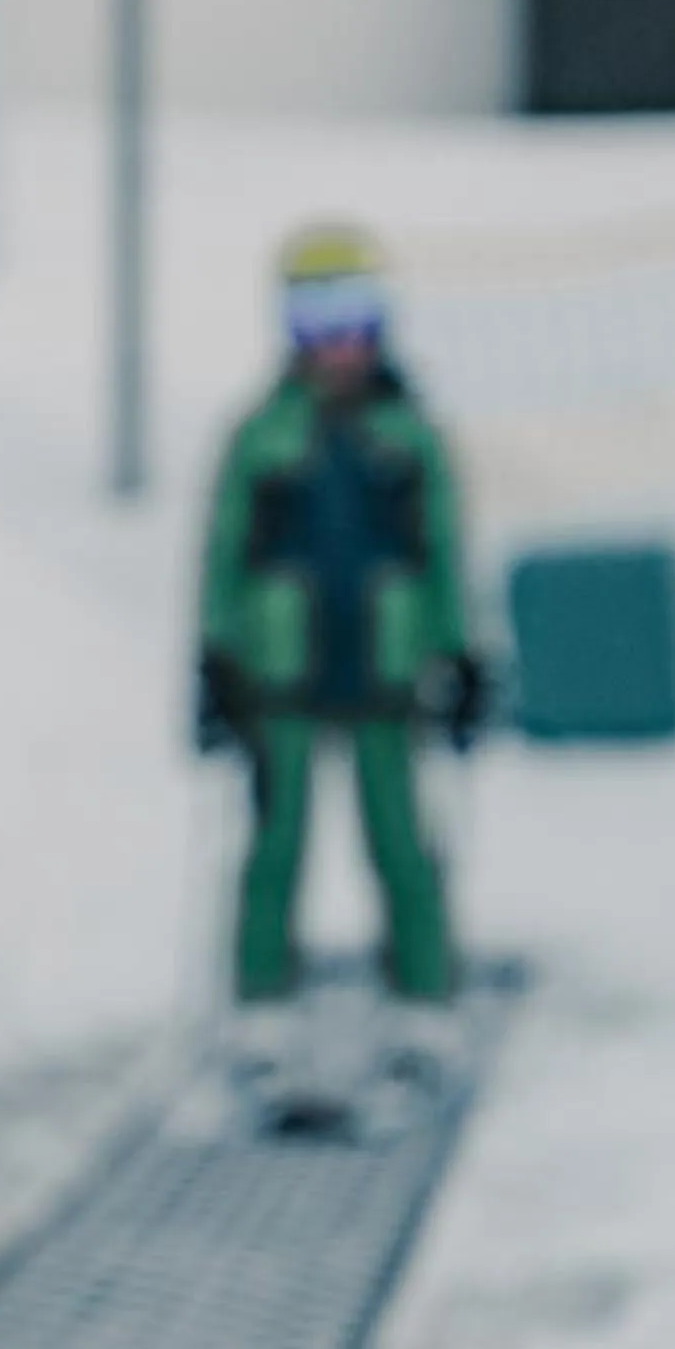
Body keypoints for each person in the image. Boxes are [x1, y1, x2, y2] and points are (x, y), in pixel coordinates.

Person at [197, 224, 486, 1024]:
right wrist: (217, 658)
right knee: (275, 841)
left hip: (384, 669)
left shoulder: (409, 437)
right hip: (282, 671)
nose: (337, 345)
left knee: (400, 838)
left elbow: (442, 554)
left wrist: (459, 654)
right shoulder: (263, 437)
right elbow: (225, 555)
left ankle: (424, 987)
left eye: (352, 318)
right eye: (317, 321)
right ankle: (261, 994)